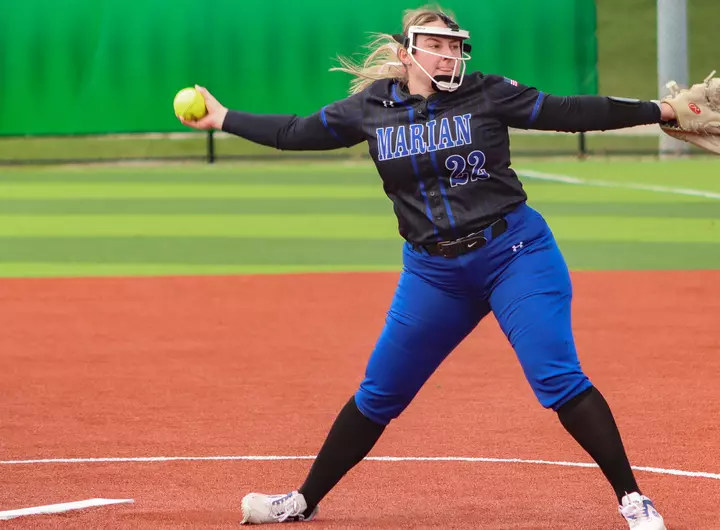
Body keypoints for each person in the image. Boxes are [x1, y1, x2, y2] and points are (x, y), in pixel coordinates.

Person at [178, 6, 674, 529]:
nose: (449, 54)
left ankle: (632, 498)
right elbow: (297, 132)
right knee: (379, 393)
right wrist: (223, 117)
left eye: (455, 45)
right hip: (434, 275)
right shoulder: (370, 108)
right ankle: (302, 500)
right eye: (436, 44)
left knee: (557, 377)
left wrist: (659, 110)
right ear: (406, 52)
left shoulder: (486, 92)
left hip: (515, 256)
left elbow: (573, 111)